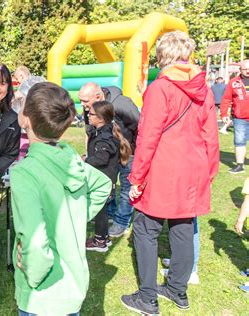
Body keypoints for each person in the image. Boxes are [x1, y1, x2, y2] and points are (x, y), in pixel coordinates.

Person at [121, 31, 219, 315]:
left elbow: (147, 136)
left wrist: (136, 178)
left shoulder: (161, 88)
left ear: (163, 56)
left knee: (145, 228)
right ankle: (178, 289)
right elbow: (211, 135)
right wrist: (209, 171)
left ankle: (148, 297)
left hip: (164, 168)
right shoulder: (203, 88)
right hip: (194, 168)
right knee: (183, 228)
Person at [11, 82, 112, 315]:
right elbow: (102, 185)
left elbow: (34, 242)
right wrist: (73, 220)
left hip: (41, 297)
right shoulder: (71, 158)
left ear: (26, 118)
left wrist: (33, 275)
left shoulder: (24, 173)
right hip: (72, 290)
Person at [78, 82, 140, 237]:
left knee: (126, 187)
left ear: (98, 97)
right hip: (106, 153)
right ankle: (109, 213)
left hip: (128, 152)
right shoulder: (89, 109)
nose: (82, 105)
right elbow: (89, 131)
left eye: (85, 101)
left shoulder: (122, 104)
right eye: (81, 100)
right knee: (106, 183)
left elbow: (140, 124)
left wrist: (133, 149)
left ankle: (121, 222)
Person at [84, 100, 131, 252]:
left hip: (103, 180)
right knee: (101, 209)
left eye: (90, 114)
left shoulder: (105, 137)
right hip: (104, 179)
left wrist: (84, 160)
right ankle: (104, 237)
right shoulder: (105, 130)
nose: (88, 116)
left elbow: (101, 159)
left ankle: (100, 241)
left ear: (100, 118)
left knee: (100, 211)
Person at [220, 59, 249, 174]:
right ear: (240, 70)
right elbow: (226, 99)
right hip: (240, 118)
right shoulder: (233, 82)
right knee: (239, 141)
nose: (248, 71)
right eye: (245, 69)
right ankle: (240, 165)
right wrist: (223, 114)